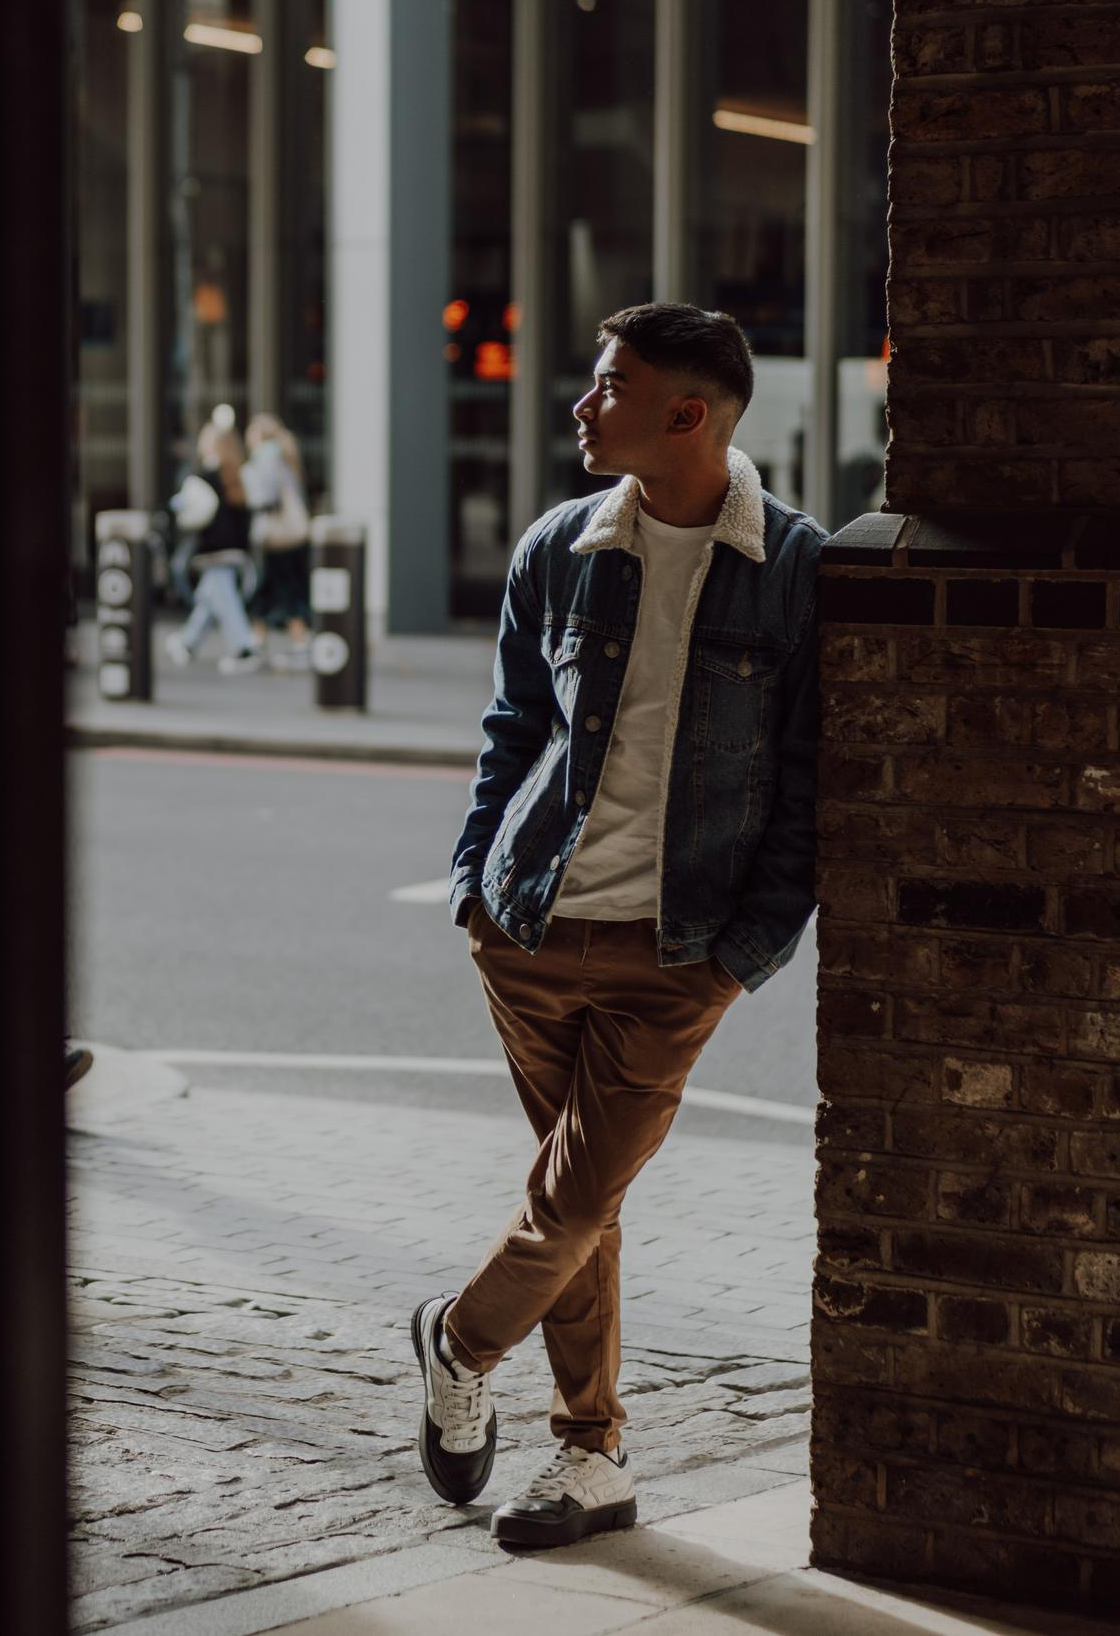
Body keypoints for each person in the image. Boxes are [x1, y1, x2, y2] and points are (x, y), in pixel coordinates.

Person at [414, 303, 822, 1552]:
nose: (585, 406)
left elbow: (811, 780)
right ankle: (592, 1462)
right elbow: (513, 731)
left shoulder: (794, 570)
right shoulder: (559, 547)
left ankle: (457, 1340)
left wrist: (745, 949)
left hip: (675, 953)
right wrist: (475, 876)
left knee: (576, 1197)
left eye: (610, 386)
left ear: (686, 414)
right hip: (530, 930)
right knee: (575, 1203)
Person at [163, 417, 262, 675]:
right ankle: (187, 643)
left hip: (214, 548)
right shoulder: (237, 474)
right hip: (234, 548)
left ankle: (244, 648)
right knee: (210, 596)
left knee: (224, 598)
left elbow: (189, 508)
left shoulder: (208, 475)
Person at [241, 413, 312, 669]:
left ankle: (294, 643)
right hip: (287, 538)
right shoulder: (283, 457)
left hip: (276, 538)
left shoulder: (266, 459)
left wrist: (247, 479)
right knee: (273, 590)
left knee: (277, 590)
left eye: (251, 433)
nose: (247, 438)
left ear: (260, 436)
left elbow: (266, 497)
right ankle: (260, 642)